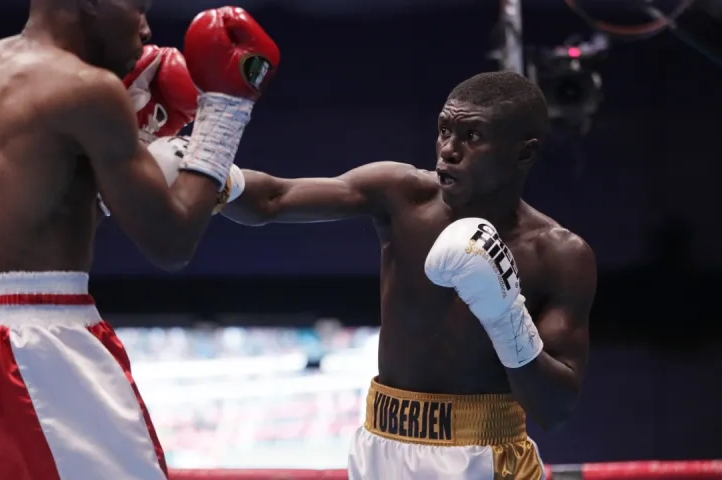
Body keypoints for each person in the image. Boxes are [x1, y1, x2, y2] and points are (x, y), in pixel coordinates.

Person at [0, 1, 279, 479]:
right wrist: (225, 110)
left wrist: (123, 157)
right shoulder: (86, 90)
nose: (146, 27)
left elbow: (35, 223)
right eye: (137, 6)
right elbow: (172, 241)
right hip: (44, 354)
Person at [221, 71, 596, 480]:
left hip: (484, 458)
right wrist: (212, 176)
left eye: (472, 136)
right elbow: (275, 198)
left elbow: (556, 408)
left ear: (523, 154)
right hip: (381, 446)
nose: (449, 150)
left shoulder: (558, 254)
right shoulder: (402, 194)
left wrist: (506, 316)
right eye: (445, 130)